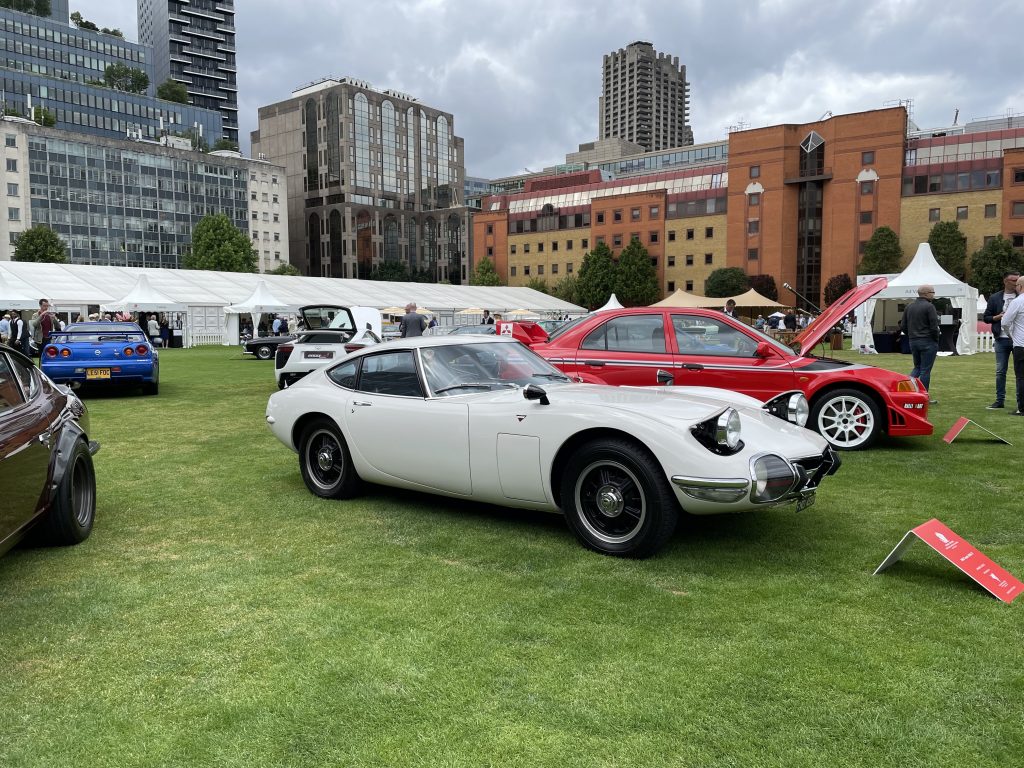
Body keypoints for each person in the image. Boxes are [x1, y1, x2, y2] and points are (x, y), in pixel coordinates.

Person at [982, 270, 1021, 409]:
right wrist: (996, 318)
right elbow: (986, 317)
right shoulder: (995, 298)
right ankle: (999, 400)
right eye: (1013, 280)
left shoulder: (1021, 297)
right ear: (1005, 281)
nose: (1016, 282)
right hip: (1001, 339)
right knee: (1000, 371)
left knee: (1020, 372)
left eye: (1017, 280)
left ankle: (1020, 403)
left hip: (1018, 340)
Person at [899, 284, 940, 401]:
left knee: (917, 367)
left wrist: (911, 336)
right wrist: (935, 339)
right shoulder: (929, 307)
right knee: (925, 370)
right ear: (926, 294)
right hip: (928, 341)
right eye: (933, 292)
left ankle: (906, 390)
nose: (934, 294)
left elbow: (903, 326)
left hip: (913, 341)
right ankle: (924, 397)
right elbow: (934, 326)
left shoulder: (909, 307)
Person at [999, 275, 1024, 416]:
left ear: (1019, 287)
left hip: (1021, 344)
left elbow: (1005, 322)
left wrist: (1011, 335)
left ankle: (1022, 408)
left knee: (1021, 377)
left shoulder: (1018, 301)